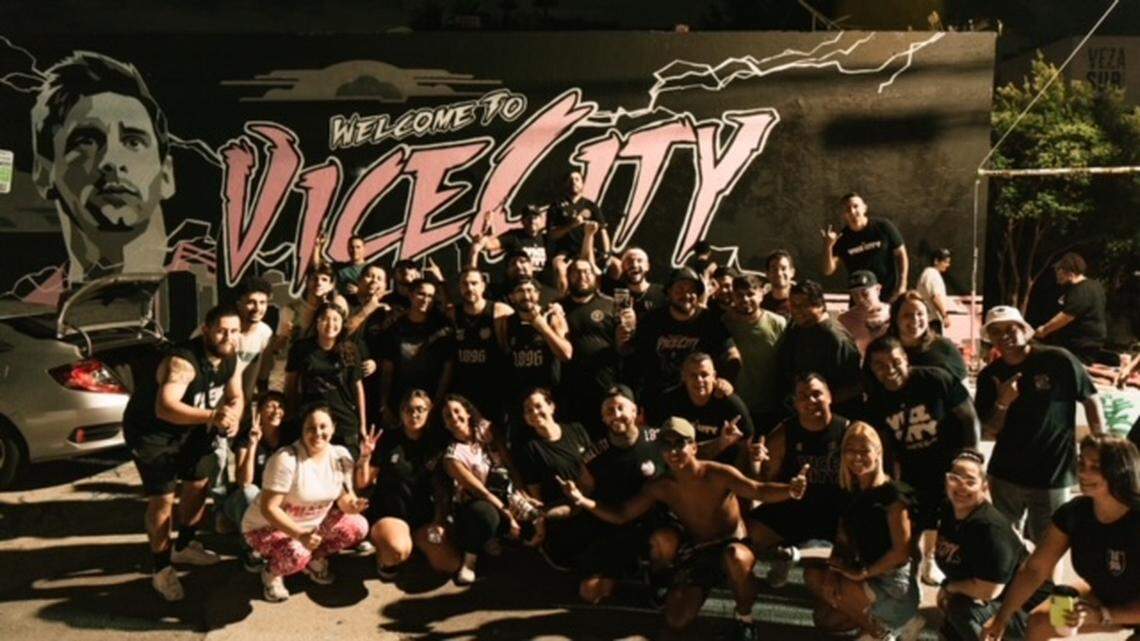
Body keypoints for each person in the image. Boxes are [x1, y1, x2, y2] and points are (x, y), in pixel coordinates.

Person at [560, 416, 808, 641]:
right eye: (667, 446)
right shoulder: (662, 486)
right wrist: (584, 501)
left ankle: (745, 618)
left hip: (733, 545)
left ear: (694, 446)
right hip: (700, 551)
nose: (674, 451)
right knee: (674, 621)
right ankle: (668, 585)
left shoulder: (718, 473)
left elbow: (758, 490)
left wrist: (790, 490)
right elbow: (622, 514)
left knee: (735, 558)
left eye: (680, 443)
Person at [121, 304, 243, 601]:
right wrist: (213, 417)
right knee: (162, 501)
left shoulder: (230, 356)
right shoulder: (182, 362)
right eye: (222, 330)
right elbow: (165, 407)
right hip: (154, 433)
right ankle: (161, 570)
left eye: (235, 331)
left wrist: (234, 417)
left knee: (199, 483)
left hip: (193, 429)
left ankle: (184, 547)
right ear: (206, 330)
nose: (228, 336)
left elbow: (236, 395)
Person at [32, 51, 174, 286]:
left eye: (133, 141)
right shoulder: (28, 310)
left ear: (167, 174)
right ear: (44, 174)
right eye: (86, 141)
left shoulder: (204, 285)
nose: (111, 160)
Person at [983, 435, 1140, 641]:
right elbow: (1035, 569)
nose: (1083, 472)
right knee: (1039, 622)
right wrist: (1001, 617)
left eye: (1095, 467)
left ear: (1120, 471)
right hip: (1105, 595)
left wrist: (1104, 616)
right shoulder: (1075, 513)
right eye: (1081, 462)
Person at [975, 306, 1107, 544]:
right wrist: (1002, 403)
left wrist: (1103, 446)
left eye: (1010, 328)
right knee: (1004, 543)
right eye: (996, 331)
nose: (1004, 336)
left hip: (1052, 474)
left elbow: (1091, 398)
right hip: (1006, 476)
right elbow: (988, 430)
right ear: (989, 338)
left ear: (1024, 330)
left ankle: (1048, 584)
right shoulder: (989, 377)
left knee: (1050, 544)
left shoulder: (1058, 360)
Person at [863, 335, 981, 587]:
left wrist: (971, 455)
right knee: (917, 515)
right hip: (912, 465)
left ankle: (936, 560)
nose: (889, 369)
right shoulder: (876, 400)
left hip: (949, 458)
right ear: (872, 369)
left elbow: (968, 416)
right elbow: (884, 443)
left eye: (895, 361)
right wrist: (888, 477)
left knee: (951, 513)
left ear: (905, 358)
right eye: (880, 365)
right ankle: (914, 563)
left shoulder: (935, 379)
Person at [802, 422, 925, 641]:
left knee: (846, 584)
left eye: (864, 450)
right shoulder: (849, 491)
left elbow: (901, 553)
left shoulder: (894, 496)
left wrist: (863, 573)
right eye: (850, 450)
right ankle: (881, 624)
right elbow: (842, 542)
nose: (856, 457)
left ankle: (886, 632)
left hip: (894, 584)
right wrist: (831, 573)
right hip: (867, 575)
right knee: (822, 609)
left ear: (878, 452)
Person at [241, 404, 370, 602]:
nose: (317, 433)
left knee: (358, 525)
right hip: (265, 527)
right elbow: (269, 508)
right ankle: (271, 573)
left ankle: (313, 559)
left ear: (333, 428)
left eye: (323, 427)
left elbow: (344, 498)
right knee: (296, 554)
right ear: (302, 430)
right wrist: (300, 535)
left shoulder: (341, 455)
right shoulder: (286, 459)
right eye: (310, 428)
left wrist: (353, 505)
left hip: (309, 527)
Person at [748, 373, 850, 587]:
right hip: (792, 507)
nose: (810, 401)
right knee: (749, 533)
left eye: (816, 394)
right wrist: (757, 462)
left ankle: (794, 554)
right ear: (795, 403)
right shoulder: (785, 431)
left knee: (840, 549)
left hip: (829, 514)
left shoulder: (847, 430)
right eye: (803, 396)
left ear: (830, 396)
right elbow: (764, 479)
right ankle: (778, 558)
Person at [573, 385, 670, 604]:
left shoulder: (658, 438)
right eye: (609, 410)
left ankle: (659, 577)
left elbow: (692, 454)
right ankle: (627, 572)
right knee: (590, 593)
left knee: (664, 543)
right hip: (614, 522)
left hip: (653, 522)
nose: (616, 415)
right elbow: (584, 492)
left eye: (620, 408)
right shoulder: (593, 456)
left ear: (635, 412)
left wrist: (722, 442)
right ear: (602, 417)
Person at [934, 449, 1044, 641]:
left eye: (970, 481)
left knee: (961, 610)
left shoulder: (990, 528)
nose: (961, 487)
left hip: (1023, 609)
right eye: (955, 479)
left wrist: (949, 587)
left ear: (984, 487)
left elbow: (989, 590)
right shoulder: (949, 510)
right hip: (988, 596)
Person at [438, 394, 528, 585]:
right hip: (475, 504)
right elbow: (481, 492)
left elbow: (510, 465)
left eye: (457, 411)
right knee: (486, 516)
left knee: (531, 520)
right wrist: (509, 517)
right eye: (447, 416)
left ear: (468, 413)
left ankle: (496, 534)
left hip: (505, 493)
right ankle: (470, 559)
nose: (454, 418)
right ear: (445, 425)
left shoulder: (487, 432)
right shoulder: (452, 456)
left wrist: (523, 493)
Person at [361, 390, 450, 580]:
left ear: (429, 411)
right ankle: (385, 552)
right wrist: (365, 457)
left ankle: (415, 543)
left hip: (421, 518)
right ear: (401, 413)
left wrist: (439, 521)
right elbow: (364, 481)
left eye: (420, 409)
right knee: (396, 551)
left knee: (449, 564)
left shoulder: (435, 444)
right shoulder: (388, 440)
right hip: (390, 514)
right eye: (409, 410)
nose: (414, 415)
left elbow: (440, 490)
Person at [622, 266, 740, 400]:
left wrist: (726, 380)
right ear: (668, 293)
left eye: (692, 290)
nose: (686, 295)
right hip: (659, 398)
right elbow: (636, 361)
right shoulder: (652, 320)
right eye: (679, 290)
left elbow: (733, 355)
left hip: (698, 398)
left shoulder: (710, 321)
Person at [284, 302, 366, 455]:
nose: (330, 324)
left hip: (344, 420)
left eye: (336, 319)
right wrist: (291, 414)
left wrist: (362, 425)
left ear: (342, 323)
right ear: (317, 322)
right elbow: (290, 385)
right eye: (325, 319)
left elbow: (358, 388)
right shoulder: (301, 348)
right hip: (312, 421)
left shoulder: (350, 349)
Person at [217, 390, 286, 572]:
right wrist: (253, 444)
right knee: (250, 491)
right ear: (259, 412)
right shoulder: (246, 437)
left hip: (273, 500)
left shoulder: (287, 439)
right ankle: (250, 548)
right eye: (270, 406)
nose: (276, 410)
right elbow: (244, 482)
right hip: (245, 500)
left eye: (280, 406)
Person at [496, 278, 573, 435]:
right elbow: (505, 351)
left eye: (530, 290)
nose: (526, 295)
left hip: (550, 395)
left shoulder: (552, 317)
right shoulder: (506, 323)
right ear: (512, 297)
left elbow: (566, 354)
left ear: (538, 294)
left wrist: (542, 327)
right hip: (520, 397)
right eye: (520, 291)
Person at [776, 280, 862, 417]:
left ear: (820, 306)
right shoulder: (796, 327)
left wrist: (819, 404)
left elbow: (853, 387)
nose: (797, 311)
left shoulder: (836, 338)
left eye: (803, 306)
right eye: (793, 305)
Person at [651, 353, 754, 466]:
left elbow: (746, 445)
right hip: (680, 467)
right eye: (693, 375)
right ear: (683, 377)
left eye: (704, 375)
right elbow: (659, 446)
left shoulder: (730, 404)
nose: (699, 380)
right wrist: (720, 443)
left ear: (714, 376)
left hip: (722, 468)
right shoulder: (668, 402)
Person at [377, 278, 454, 424]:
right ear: (410, 295)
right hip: (400, 401)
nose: (426, 299)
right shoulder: (394, 328)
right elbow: (387, 370)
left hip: (433, 402)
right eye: (421, 294)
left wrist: (437, 404)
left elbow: (447, 370)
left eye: (430, 296)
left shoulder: (442, 328)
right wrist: (384, 404)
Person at [558, 258, 620, 434]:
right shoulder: (558, 306)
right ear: (568, 276)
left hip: (606, 388)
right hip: (569, 391)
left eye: (587, 272)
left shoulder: (611, 305)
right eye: (576, 272)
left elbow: (625, 346)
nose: (582, 276)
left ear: (595, 276)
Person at [723, 273, 787, 434]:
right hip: (735, 405)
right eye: (740, 295)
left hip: (771, 407)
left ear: (761, 294)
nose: (745, 299)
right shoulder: (724, 323)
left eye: (750, 294)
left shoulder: (778, 323)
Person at [449, 267, 512, 424]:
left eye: (474, 283)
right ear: (459, 287)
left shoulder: (499, 311)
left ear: (483, 286)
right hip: (463, 389)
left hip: (493, 389)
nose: (469, 288)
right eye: (465, 284)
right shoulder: (452, 313)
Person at [821, 193, 908, 303]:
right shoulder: (842, 238)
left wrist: (902, 285)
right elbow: (828, 270)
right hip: (859, 299)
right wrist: (828, 246)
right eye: (848, 209)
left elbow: (901, 254)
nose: (852, 211)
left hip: (889, 294)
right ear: (843, 214)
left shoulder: (883, 226)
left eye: (856, 206)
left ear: (864, 208)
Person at [1034, 253, 1108, 365]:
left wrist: (1044, 330)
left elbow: (1067, 316)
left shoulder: (1081, 290)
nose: (1056, 275)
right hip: (1089, 342)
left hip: (1080, 344)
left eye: (1058, 271)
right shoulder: (1094, 286)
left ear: (1068, 272)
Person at [890, 290, 968, 382]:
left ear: (928, 317)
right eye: (907, 315)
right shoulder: (884, 350)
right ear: (895, 318)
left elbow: (961, 384)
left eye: (920, 314)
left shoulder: (944, 347)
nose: (915, 319)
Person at [548, 169, 610, 265]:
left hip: (589, 249)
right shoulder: (556, 206)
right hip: (565, 253)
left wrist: (606, 253)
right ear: (565, 184)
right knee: (559, 267)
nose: (573, 182)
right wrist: (571, 225)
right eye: (570, 180)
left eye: (577, 179)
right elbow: (552, 235)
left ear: (582, 184)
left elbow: (603, 231)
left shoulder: (591, 206)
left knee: (616, 266)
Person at [838, 270, 891, 357]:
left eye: (865, 293)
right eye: (855, 295)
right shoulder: (845, 320)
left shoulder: (892, 312)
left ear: (877, 289)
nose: (860, 299)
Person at [602, 246, 667, 317]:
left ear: (647, 266)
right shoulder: (617, 290)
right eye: (629, 261)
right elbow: (591, 272)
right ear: (623, 267)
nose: (634, 265)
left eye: (639, 260)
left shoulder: (662, 293)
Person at [313, 233, 369, 298]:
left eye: (358, 247)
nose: (354, 250)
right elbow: (317, 265)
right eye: (351, 247)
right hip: (341, 305)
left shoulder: (370, 269)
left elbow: (379, 293)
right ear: (347, 248)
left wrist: (359, 292)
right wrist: (317, 245)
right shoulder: (339, 267)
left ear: (364, 249)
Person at [915, 248, 953, 334]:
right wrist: (945, 316)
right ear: (936, 261)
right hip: (931, 321)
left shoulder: (929, 274)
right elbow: (935, 297)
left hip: (929, 320)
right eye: (945, 262)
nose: (948, 265)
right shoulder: (931, 274)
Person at [761, 250, 795, 319]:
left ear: (792, 272)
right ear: (767, 274)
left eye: (783, 268)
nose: (779, 273)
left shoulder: (803, 301)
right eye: (774, 269)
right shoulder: (761, 304)